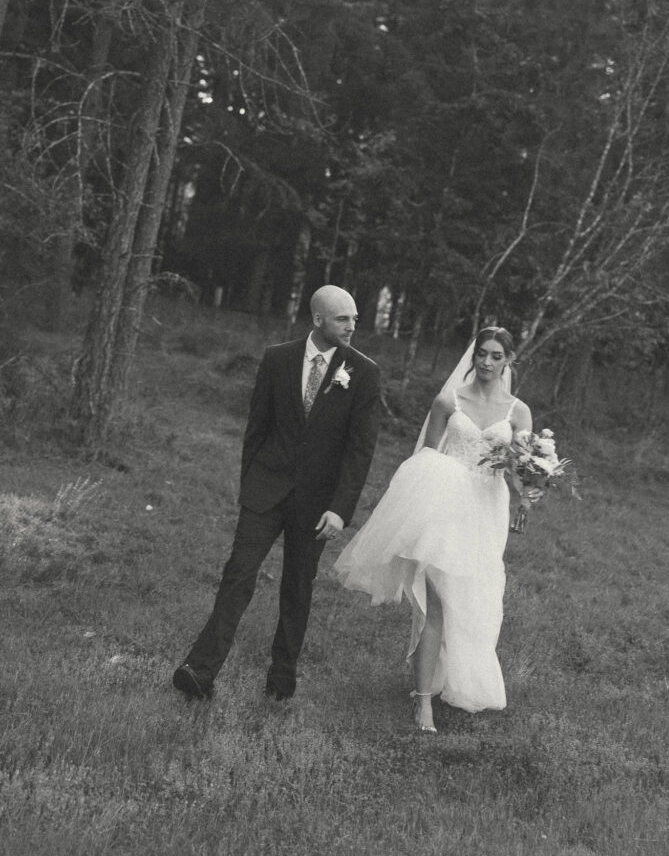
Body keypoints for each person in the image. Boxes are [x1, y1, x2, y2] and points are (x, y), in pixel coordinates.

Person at [173, 285, 381, 702]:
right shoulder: (277, 358)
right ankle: (201, 671)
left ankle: (280, 682)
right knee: (238, 574)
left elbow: (360, 453)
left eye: (355, 318)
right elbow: (257, 427)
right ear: (318, 319)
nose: (352, 326)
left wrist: (340, 510)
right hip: (265, 492)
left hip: (317, 505)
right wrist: (250, 483)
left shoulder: (363, 373)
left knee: (297, 588)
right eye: (343, 318)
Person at [333, 326, 531, 733]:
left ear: (508, 361)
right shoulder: (448, 400)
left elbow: (521, 467)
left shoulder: (518, 412)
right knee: (434, 602)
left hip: (486, 510)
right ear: (473, 355)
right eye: (482, 353)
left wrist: (527, 492)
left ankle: (457, 678)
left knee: (472, 599)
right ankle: (423, 702)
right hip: (442, 502)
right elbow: (427, 455)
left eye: (497, 356)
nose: (487, 362)